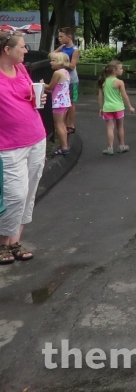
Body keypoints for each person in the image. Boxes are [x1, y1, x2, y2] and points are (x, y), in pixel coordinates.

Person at [0, 30, 47, 263]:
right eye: (22, 46)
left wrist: (38, 97)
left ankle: (15, 241)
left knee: (28, 193)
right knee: (13, 194)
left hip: (36, 137)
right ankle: (2, 242)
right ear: (7, 50)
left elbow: (29, 94)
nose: (26, 50)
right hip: (8, 145)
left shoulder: (20, 68)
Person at [98, 60, 135, 155]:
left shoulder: (103, 82)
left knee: (110, 128)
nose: (122, 70)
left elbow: (100, 96)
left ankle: (110, 148)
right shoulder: (119, 82)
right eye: (121, 68)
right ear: (115, 70)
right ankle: (121, 146)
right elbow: (124, 95)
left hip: (107, 108)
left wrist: (101, 108)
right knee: (120, 126)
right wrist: (130, 106)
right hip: (118, 108)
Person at [45, 51, 73, 157]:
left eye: (53, 60)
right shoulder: (66, 72)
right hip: (65, 101)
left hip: (58, 102)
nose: (51, 63)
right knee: (62, 124)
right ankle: (64, 145)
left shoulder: (57, 73)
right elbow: (56, 89)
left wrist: (42, 84)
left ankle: (64, 147)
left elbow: (50, 87)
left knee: (58, 125)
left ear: (60, 62)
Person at [56, 27, 80, 135]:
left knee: (71, 102)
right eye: (59, 36)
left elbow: (72, 65)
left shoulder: (75, 50)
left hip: (72, 80)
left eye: (61, 36)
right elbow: (52, 54)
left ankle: (71, 124)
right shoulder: (62, 47)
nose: (59, 38)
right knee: (64, 102)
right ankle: (63, 124)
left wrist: (61, 62)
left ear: (69, 37)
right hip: (63, 79)